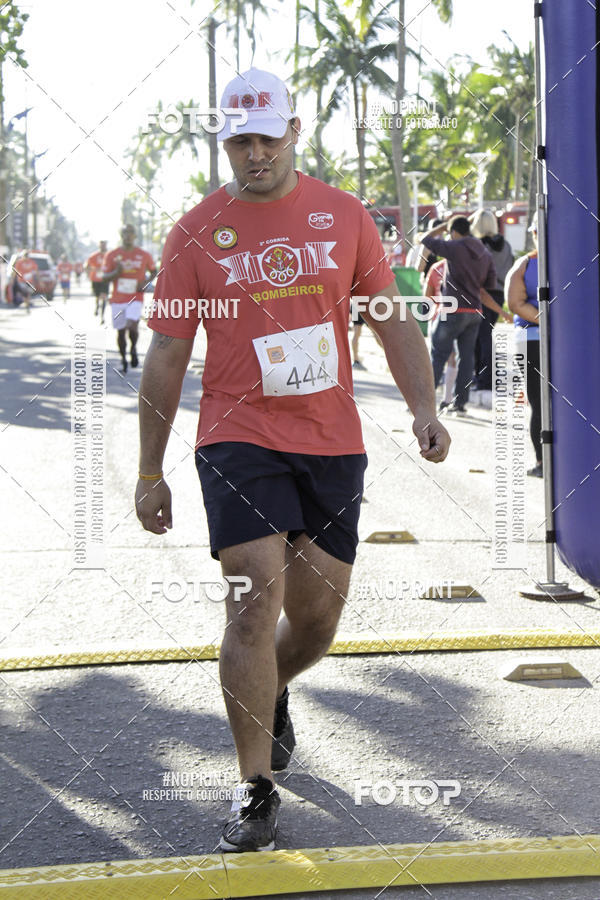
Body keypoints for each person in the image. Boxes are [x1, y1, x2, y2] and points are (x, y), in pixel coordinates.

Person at [135, 67, 451, 854]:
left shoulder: (344, 217)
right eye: (238, 140)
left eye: (265, 137)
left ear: (294, 132)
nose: (253, 153)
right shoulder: (196, 231)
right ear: (225, 144)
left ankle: (272, 692)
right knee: (250, 600)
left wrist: (424, 408)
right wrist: (149, 471)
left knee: (315, 621)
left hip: (332, 442)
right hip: (237, 440)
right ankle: (254, 788)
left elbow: (389, 320)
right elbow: (169, 354)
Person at [419, 215, 510, 414]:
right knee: (466, 358)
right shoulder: (484, 253)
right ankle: (460, 403)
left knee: (437, 355)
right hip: (474, 312)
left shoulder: (454, 247)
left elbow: (425, 240)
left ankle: (425, 403)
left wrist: (442, 226)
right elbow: (489, 286)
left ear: (453, 232)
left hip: (451, 310)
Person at [505, 214, 542, 477]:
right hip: (532, 340)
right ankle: (542, 461)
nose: (538, 235)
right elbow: (515, 303)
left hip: (570, 341)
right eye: (537, 231)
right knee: (539, 403)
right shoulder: (525, 264)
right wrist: (550, 320)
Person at [470, 209, 514, 401]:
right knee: (485, 335)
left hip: (482, 292)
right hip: (499, 292)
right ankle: (483, 377)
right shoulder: (506, 245)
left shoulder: (478, 246)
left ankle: (484, 378)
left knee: (482, 337)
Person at [103, 226, 156, 372]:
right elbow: (104, 276)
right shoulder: (112, 255)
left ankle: (133, 348)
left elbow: (154, 271)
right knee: (120, 331)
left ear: (134, 236)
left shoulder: (143, 254)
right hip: (117, 299)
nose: (128, 236)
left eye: (130, 233)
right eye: (125, 233)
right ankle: (123, 358)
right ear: (121, 236)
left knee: (132, 325)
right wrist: (116, 272)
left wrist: (145, 283)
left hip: (135, 297)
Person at [86, 240, 110, 323]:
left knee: (104, 297)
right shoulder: (93, 256)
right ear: (99, 246)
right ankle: (97, 306)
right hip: (95, 279)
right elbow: (87, 266)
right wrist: (94, 269)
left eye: (104, 245)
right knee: (97, 296)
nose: (103, 247)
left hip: (105, 279)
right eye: (102, 245)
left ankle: (102, 317)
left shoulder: (109, 255)